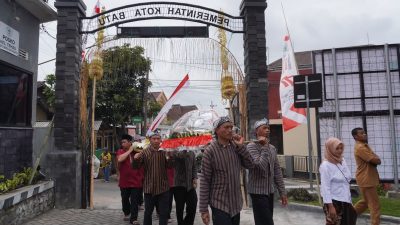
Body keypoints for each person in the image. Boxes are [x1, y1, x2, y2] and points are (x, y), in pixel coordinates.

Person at [199, 116, 254, 225]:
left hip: (236, 203)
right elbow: (205, 181)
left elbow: (251, 165)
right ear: (217, 130)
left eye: (231, 127)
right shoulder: (210, 151)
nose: (230, 130)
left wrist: (241, 147)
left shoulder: (236, 147)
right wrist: (203, 209)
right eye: (226, 127)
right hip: (219, 204)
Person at [247, 118, 287, 225]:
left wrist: (282, 192)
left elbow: (277, 171)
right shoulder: (251, 147)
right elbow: (260, 166)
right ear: (256, 131)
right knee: (267, 222)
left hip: (269, 191)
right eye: (264, 128)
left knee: (264, 221)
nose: (267, 130)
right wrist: (264, 147)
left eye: (268, 128)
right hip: (257, 192)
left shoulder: (272, 148)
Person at [133, 131, 175, 225]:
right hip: (149, 188)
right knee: (148, 213)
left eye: (158, 139)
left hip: (163, 187)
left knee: (163, 213)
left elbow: (170, 166)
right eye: (154, 139)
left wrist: (170, 157)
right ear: (150, 140)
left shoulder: (164, 151)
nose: (156, 141)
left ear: (160, 140)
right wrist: (136, 159)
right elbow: (136, 167)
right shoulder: (144, 152)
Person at [320, 137, 357, 225]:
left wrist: (350, 201)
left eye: (341, 148)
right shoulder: (325, 166)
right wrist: (330, 206)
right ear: (330, 149)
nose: (340, 151)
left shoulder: (342, 160)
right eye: (337, 148)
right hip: (334, 201)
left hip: (346, 200)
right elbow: (325, 188)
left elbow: (346, 178)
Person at [351, 128, 381, 225]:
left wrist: (376, 158)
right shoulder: (361, 148)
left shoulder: (364, 146)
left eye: (364, 132)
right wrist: (376, 159)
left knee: (365, 202)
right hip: (366, 179)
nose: (365, 134)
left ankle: (347, 217)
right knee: (374, 205)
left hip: (366, 178)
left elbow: (375, 158)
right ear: (356, 136)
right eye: (362, 133)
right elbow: (375, 160)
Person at [116, 134, 144, 225]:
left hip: (136, 181)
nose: (122, 144)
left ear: (130, 143)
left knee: (134, 201)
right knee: (124, 199)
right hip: (124, 181)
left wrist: (135, 151)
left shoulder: (138, 151)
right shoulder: (120, 151)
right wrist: (130, 150)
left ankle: (134, 219)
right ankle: (127, 212)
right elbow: (120, 159)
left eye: (124, 142)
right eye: (122, 142)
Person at [173, 148, 198, 225]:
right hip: (179, 185)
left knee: (193, 205)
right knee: (180, 208)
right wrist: (184, 150)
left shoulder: (192, 152)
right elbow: (180, 156)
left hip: (190, 186)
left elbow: (194, 166)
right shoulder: (175, 151)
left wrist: (194, 177)